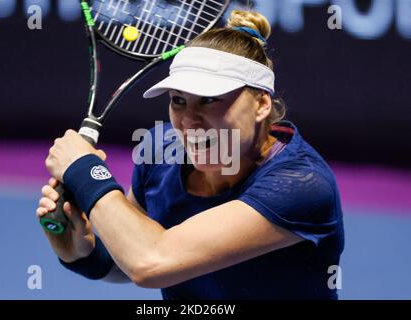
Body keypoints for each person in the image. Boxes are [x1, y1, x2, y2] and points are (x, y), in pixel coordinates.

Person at [38, 10, 344, 299]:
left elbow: (151, 260)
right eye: (179, 101)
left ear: (262, 103)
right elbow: (128, 258)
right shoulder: (159, 152)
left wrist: (85, 170)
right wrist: (83, 251)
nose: (189, 121)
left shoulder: (301, 186)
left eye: (209, 100)